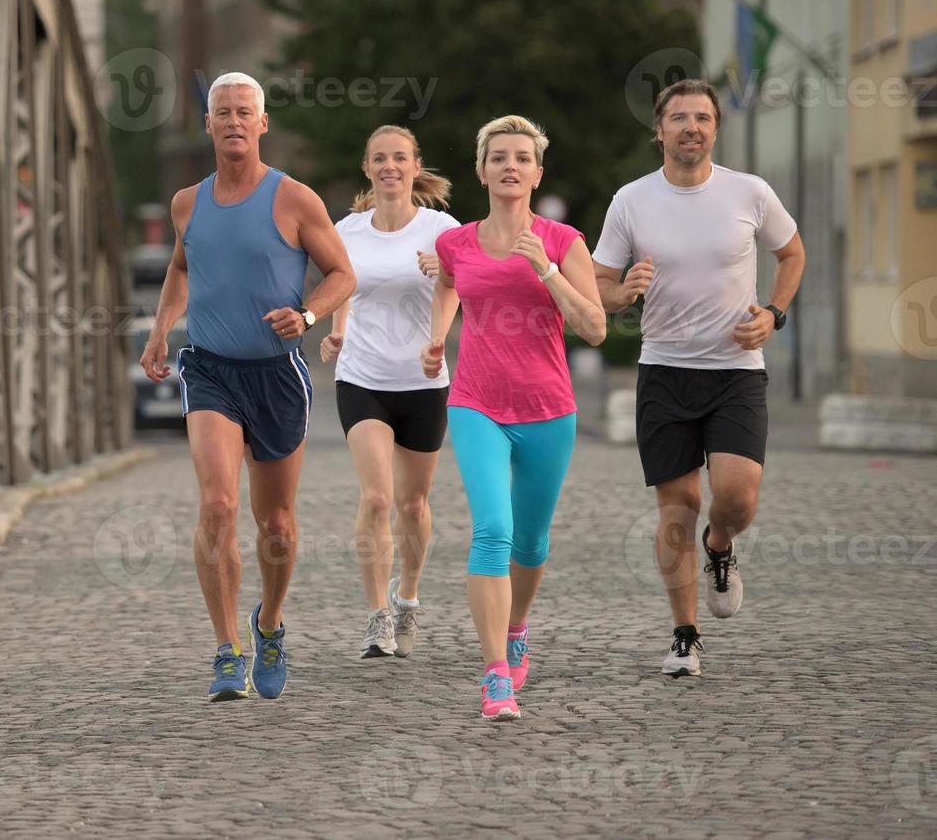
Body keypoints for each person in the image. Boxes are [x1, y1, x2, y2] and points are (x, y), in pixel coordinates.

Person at [140, 71, 355, 702]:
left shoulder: (294, 199)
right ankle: (227, 649)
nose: (233, 121)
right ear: (207, 125)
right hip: (209, 369)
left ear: (262, 124)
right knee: (217, 506)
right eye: (222, 112)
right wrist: (160, 331)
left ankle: (269, 624)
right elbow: (183, 267)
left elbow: (343, 273)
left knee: (277, 525)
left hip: (277, 373)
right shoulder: (188, 203)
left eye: (244, 112)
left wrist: (309, 314)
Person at [591, 78, 805, 678]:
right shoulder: (632, 200)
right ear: (658, 130)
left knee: (736, 496)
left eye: (703, 118)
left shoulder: (750, 193)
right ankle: (686, 635)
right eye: (679, 117)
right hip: (664, 371)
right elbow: (599, 282)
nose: (692, 127)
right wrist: (620, 291)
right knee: (677, 505)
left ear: (715, 128)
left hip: (736, 371)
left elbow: (792, 254)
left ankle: (721, 546)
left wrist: (773, 313)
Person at [421, 115, 606, 720]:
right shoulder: (456, 243)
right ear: (481, 170)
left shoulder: (562, 240)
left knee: (531, 541)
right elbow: (449, 285)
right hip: (476, 403)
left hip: (549, 409)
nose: (510, 166)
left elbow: (596, 329)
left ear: (537, 172)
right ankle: (495, 672)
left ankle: (518, 624)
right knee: (492, 531)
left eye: (522, 158)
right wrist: (435, 338)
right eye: (498, 157)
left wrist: (546, 272)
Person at [321, 125, 459, 659]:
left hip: (423, 381)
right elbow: (343, 283)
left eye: (399, 157)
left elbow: (461, 284)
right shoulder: (347, 230)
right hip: (362, 377)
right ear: (367, 167)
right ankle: (377, 615)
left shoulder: (443, 228)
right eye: (379, 158)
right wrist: (337, 327)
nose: (390, 166)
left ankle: (408, 595)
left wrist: (438, 339)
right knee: (377, 497)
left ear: (415, 165)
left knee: (412, 503)